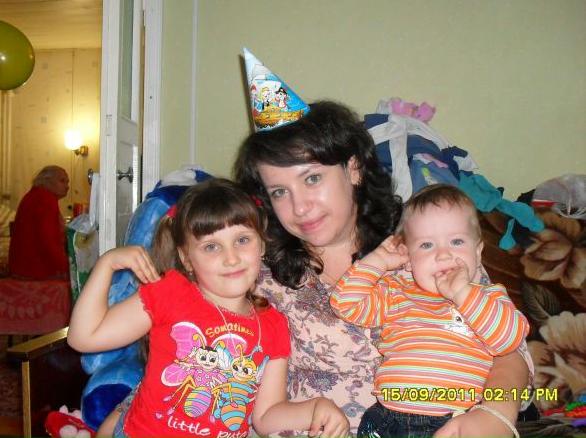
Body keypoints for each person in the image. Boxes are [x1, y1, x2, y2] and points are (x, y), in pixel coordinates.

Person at [233, 100, 533, 437]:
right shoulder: (259, 277)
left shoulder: (428, 244)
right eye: (279, 192)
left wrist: (496, 413)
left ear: (353, 168)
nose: (299, 207)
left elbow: (511, 351)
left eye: (312, 178)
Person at [67, 178, 349, 438]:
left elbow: (265, 417)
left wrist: (315, 408)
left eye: (242, 240)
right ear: (186, 258)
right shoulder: (171, 293)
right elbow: (84, 337)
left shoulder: (273, 324)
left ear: (262, 244)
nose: (231, 258)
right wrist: (107, 264)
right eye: (211, 247)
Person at [330, 184, 529, 438]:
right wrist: (378, 261)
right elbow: (345, 305)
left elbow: (509, 341)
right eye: (426, 245)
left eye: (456, 241)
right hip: (386, 418)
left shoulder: (487, 298)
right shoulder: (397, 292)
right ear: (408, 257)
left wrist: (463, 293)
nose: (443, 255)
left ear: (478, 252)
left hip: (454, 421)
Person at [8, 165, 70, 280]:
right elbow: (47, 240)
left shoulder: (32, 195)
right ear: (46, 181)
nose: (67, 187)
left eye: (67, 182)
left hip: (19, 268)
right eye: (62, 181)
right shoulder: (46, 198)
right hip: (35, 270)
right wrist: (67, 267)